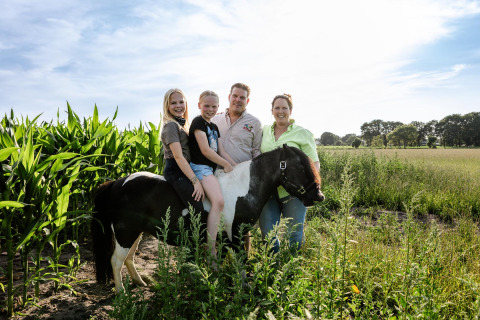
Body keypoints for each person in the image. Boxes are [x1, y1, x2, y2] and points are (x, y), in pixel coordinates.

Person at [258, 93, 320, 253]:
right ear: (271, 110)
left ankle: (292, 270)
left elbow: (314, 163)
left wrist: (311, 187)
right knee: (268, 235)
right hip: (268, 193)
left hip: (293, 194)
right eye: (277, 108)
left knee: (294, 235)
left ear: (290, 111)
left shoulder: (302, 133)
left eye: (284, 108)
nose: (280, 111)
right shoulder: (264, 131)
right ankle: (272, 270)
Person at [211, 83, 262, 251]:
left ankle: (243, 262)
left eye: (242, 97)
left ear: (247, 100)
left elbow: (256, 152)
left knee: (242, 222)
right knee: (217, 216)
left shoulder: (254, 123)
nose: (238, 100)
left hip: (242, 179)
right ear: (229, 97)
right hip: (216, 174)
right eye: (235, 96)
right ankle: (216, 257)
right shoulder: (215, 119)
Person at [189, 90, 236, 258]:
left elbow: (221, 150)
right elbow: (205, 150)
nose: (210, 109)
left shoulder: (214, 127)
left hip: (212, 169)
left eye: (214, 106)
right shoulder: (198, 123)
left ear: (219, 107)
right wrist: (225, 165)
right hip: (200, 167)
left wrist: (234, 166)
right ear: (199, 105)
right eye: (206, 106)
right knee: (219, 201)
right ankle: (211, 252)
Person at [160, 88, 205, 217]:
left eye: (181, 102)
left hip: (184, 168)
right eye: (173, 103)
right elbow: (178, 157)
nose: (178, 106)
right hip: (176, 170)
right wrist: (195, 181)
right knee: (198, 210)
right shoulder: (171, 126)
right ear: (167, 106)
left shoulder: (183, 125)